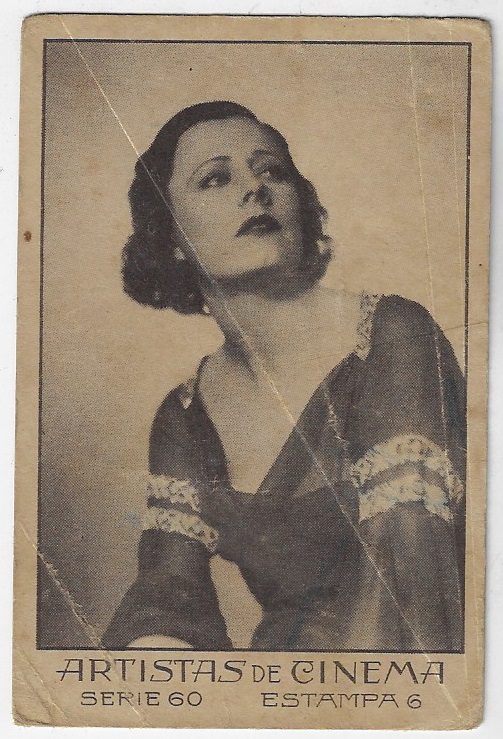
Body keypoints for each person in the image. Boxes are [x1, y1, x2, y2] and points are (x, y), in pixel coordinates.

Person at [102, 101, 466, 652]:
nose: (256, 189)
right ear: (170, 236)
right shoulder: (184, 416)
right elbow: (170, 593)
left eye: (272, 170)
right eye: (215, 179)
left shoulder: (392, 333)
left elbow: (409, 559)